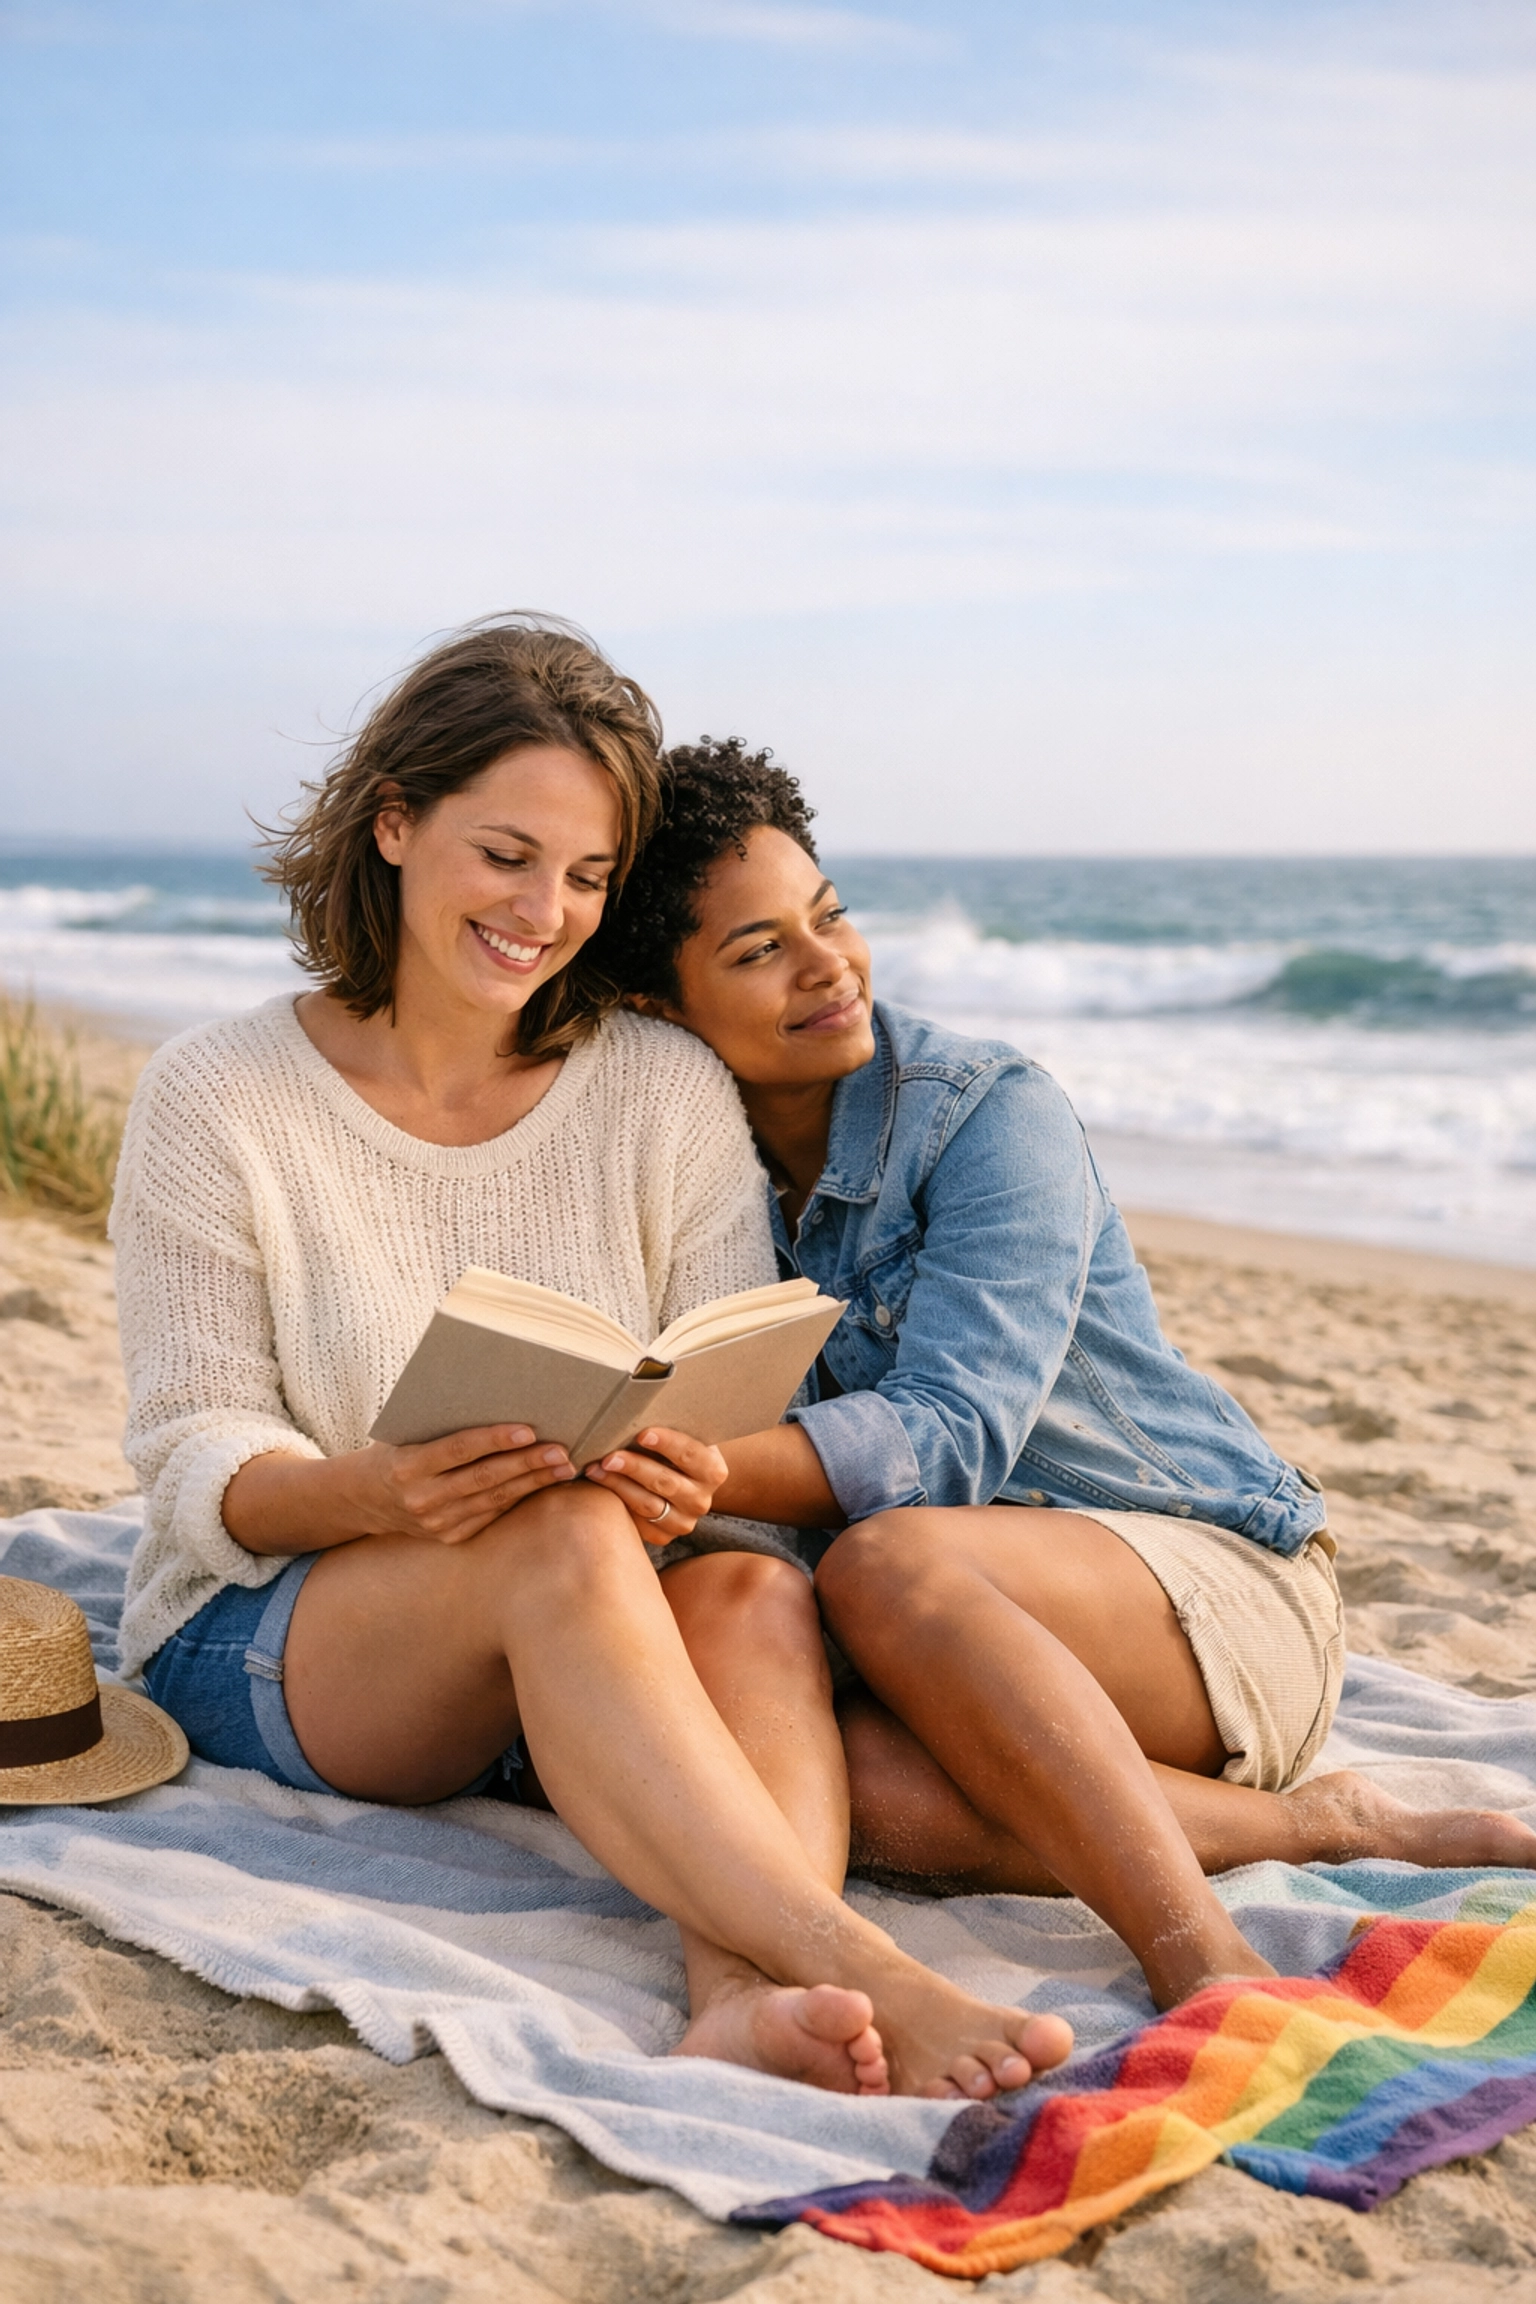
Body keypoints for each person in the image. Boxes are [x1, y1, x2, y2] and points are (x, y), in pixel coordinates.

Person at [112, 619, 1079, 2103]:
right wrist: (376, 1493)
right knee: (555, 1535)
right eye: (506, 855)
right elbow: (193, 1458)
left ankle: (731, 2001)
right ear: (393, 823)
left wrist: (675, 1476)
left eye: (587, 876)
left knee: (754, 1583)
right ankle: (856, 1962)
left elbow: (722, 1378)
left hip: (582, 1604)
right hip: (284, 1618)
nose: (543, 910)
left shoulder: (663, 1086)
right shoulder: (218, 1095)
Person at [596, 739, 1536, 2011]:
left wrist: (672, 1464)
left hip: (1200, 1583)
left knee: (891, 1556)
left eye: (828, 918)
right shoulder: (690, 1178)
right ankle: (1320, 1828)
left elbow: (953, 1436)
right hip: (962, 1655)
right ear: (658, 1007)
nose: (829, 967)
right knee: (834, 1781)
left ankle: (1198, 1953)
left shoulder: (984, 1109)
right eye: (758, 950)